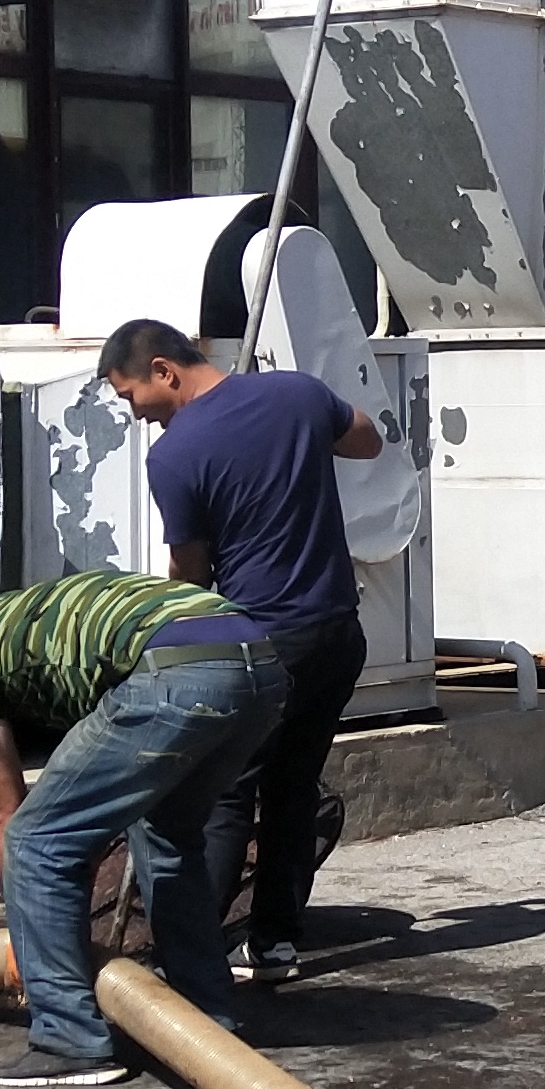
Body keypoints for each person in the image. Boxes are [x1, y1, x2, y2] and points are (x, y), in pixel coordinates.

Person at [0, 559, 290, 1086]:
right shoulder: (48, 614)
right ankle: (204, 1014)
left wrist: (29, 937)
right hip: (261, 666)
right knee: (167, 832)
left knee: (34, 840)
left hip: (175, 674)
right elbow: (93, 815)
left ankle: (69, 1039)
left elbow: (5, 811)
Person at [100, 317, 381, 988]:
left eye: (130, 396)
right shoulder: (297, 394)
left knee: (224, 793)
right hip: (336, 633)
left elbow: (192, 573)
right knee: (293, 789)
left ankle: (189, 956)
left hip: (262, 643)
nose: (135, 414)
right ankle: (274, 942)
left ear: (164, 371)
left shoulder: (175, 455)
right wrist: (298, 444)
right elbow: (367, 439)